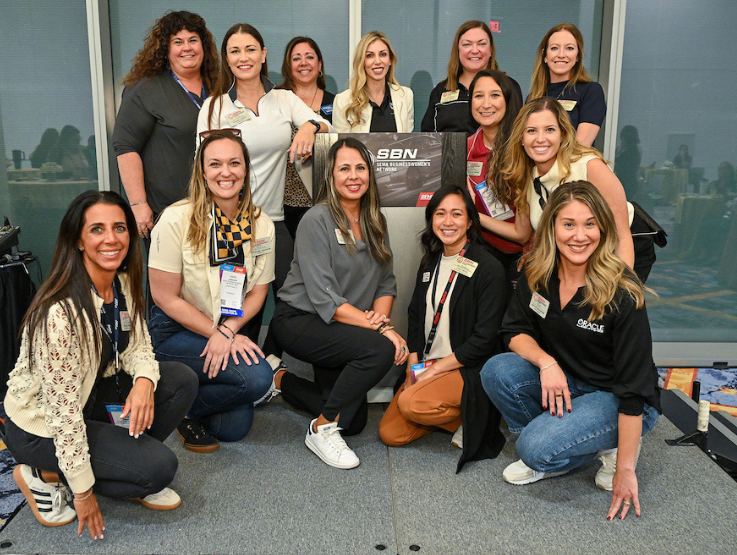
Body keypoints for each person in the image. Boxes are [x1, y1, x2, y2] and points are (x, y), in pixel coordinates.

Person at [1, 190, 198, 539]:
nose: (111, 239)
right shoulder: (60, 314)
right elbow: (63, 414)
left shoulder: (121, 282)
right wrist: (83, 492)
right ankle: (43, 475)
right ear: (78, 239)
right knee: (160, 468)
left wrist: (143, 383)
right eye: (97, 229)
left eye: (119, 228)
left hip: (89, 397)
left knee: (180, 379)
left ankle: (123, 466)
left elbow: (139, 345)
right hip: (43, 425)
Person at [480, 181, 661, 520]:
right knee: (497, 370)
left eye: (590, 224)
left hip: (617, 396)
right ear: (552, 228)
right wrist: (546, 362)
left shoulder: (622, 291)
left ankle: (607, 446)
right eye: (569, 224)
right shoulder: (539, 274)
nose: (580, 236)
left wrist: (626, 468)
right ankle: (559, 448)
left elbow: (634, 390)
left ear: (603, 228)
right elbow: (513, 332)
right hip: (568, 380)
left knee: (532, 448)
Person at [269, 137, 408, 469]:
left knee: (356, 421)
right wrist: (382, 331)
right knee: (379, 350)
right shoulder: (316, 219)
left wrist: (381, 321)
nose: (353, 175)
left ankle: (277, 380)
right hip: (300, 319)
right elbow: (323, 297)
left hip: (341, 323)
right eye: (344, 168)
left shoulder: (376, 221)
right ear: (331, 175)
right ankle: (320, 427)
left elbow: (386, 282)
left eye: (360, 168)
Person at [197, 24, 330, 345]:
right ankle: (242, 375)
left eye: (250, 49)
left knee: (290, 303)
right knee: (236, 309)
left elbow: (326, 125)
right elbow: (203, 167)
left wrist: (308, 127)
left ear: (263, 54)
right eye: (235, 51)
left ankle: (273, 364)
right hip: (230, 225)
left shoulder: (284, 99)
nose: (244, 57)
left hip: (274, 221)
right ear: (226, 60)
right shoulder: (214, 107)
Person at [148, 130, 275, 449]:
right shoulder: (176, 220)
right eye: (215, 164)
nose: (225, 172)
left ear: (246, 170)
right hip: (174, 333)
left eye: (234, 163)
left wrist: (228, 331)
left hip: (224, 328)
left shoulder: (262, 224)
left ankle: (182, 403)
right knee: (258, 378)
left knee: (233, 428)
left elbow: (258, 292)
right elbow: (164, 296)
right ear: (202, 172)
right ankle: (179, 398)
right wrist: (214, 333)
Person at [378, 185, 507, 469]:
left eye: (456, 214)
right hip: (427, 362)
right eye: (440, 214)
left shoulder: (488, 268)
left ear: (470, 221)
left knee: (411, 404)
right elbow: (415, 313)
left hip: (466, 366)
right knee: (390, 434)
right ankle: (459, 416)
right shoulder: (431, 261)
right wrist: (414, 365)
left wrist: (436, 370)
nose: (447, 222)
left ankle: (474, 414)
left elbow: (484, 340)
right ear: (431, 219)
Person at [479, 97, 655, 282]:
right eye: (531, 131)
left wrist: (621, 292)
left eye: (550, 130)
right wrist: (473, 215)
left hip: (622, 248)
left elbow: (622, 237)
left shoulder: (589, 166)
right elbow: (522, 234)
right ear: (521, 138)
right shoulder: (526, 176)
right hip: (578, 254)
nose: (540, 139)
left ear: (562, 134)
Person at [113, 11, 219, 239]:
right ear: (166, 49)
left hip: (216, 209)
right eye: (177, 42)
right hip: (167, 212)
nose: (187, 48)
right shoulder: (145, 89)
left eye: (193, 40)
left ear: (204, 45)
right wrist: (139, 204)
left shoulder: (218, 85)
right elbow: (126, 147)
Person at [464, 69, 526, 286]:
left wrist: (471, 211)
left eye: (495, 95)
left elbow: (522, 234)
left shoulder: (524, 147)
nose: (486, 104)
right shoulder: (465, 149)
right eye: (478, 96)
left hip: (524, 253)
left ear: (508, 100)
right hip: (482, 247)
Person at [278, 36, 336, 239]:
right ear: (288, 65)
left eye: (309, 57)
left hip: (324, 200)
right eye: (296, 58)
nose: (303, 63)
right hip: (281, 202)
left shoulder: (336, 103)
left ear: (319, 65)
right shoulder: (276, 99)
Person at [421, 21, 522, 134]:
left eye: (482, 44)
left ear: (491, 50)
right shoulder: (440, 91)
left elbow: (517, 133)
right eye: (467, 44)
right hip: (448, 151)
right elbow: (427, 140)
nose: (474, 50)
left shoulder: (509, 86)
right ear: (458, 50)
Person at [528, 23, 605, 146]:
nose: (561, 55)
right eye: (554, 48)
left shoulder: (591, 91)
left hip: (571, 164)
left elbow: (581, 147)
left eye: (569, 48)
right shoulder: (534, 97)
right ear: (545, 55)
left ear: (578, 55)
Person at [332, 31, 414, 133]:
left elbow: (408, 144)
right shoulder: (343, 101)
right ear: (362, 61)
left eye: (383, 54)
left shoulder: (405, 95)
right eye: (370, 56)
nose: (377, 61)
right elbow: (342, 147)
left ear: (390, 60)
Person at [614, 125, 642, 200]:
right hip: (631, 185)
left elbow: (618, 170)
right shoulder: (636, 153)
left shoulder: (625, 155)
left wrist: (615, 155)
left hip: (624, 186)